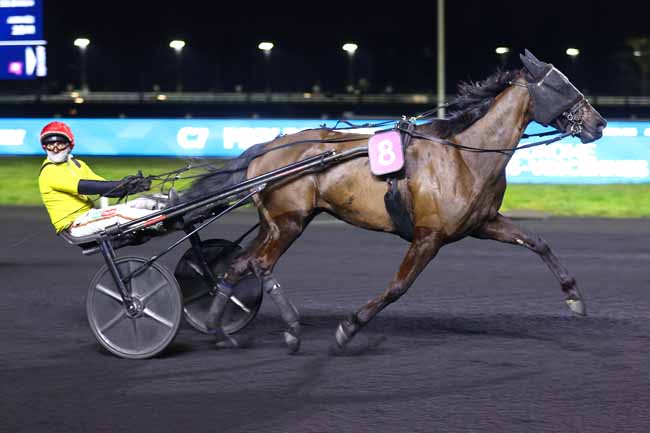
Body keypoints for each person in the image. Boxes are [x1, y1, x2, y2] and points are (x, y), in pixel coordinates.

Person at [38, 121, 170, 237]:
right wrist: (124, 185)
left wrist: (134, 187)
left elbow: (105, 189)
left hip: (90, 216)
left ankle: (172, 205)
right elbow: (88, 187)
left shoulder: (77, 164)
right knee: (119, 213)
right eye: (50, 145)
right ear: (44, 147)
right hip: (76, 225)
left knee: (141, 202)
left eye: (59, 144)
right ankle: (164, 219)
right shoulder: (49, 171)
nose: (55, 149)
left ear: (69, 145)